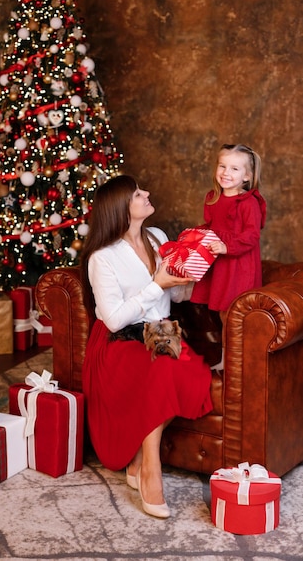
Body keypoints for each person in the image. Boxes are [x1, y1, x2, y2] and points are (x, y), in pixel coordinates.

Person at [80, 175, 213, 519]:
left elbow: (174, 295)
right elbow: (113, 320)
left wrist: (190, 277)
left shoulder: (158, 238)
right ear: (121, 209)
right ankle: (151, 468)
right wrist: (157, 285)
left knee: (193, 375)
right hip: (118, 342)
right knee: (163, 371)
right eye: (138, 194)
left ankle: (138, 459)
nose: (147, 194)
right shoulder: (102, 258)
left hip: (161, 332)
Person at [190, 144, 266, 325]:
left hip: (238, 265)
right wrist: (194, 236)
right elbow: (211, 227)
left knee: (236, 313)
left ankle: (235, 352)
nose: (226, 172)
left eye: (234, 168)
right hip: (219, 263)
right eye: (222, 166)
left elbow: (252, 235)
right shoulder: (213, 197)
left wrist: (227, 246)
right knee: (223, 314)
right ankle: (227, 351)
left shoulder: (248, 203)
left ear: (247, 176)